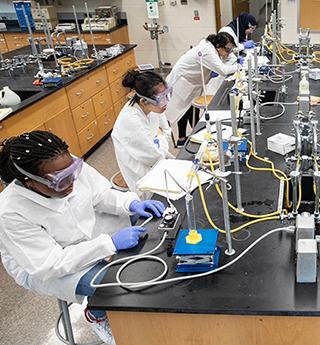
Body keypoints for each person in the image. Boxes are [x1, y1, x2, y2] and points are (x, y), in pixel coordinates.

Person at [0, 131, 166, 344]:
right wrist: (109, 243)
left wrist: (131, 204)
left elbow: (100, 194)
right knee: (112, 284)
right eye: (60, 181)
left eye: (73, 173)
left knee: (148, 225)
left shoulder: (63, 167)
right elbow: (48, 264)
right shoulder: (10, 212)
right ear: (29, 181)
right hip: (47, 268)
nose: (70, 183)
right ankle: (97, 314)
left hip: (87, 236)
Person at [165, 33, 239, 146]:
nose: (228, 52)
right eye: (227, 49)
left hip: (191, 83)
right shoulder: (207, 51)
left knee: (190, 110)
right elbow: (223, 70)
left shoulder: (211, 47)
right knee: (182, 110)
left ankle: (194, 135)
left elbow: (226, 58)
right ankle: (184, 139)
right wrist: (239, 66)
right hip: (183, 82)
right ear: (219, 46)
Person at [112, 70, 174, 198]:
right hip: (143, 174)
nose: (166, 102)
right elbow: (153, 156)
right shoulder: (130, 120)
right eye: (161, 98)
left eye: (167, 94)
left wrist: (159, 138)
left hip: (158, 162)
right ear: (143, 101)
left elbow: (167, 130)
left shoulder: (154, 108)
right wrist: (160, 137)